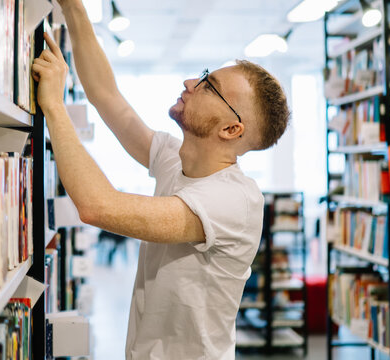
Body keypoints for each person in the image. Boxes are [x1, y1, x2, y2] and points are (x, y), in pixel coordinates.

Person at [32, 0, 290, 358]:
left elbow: (97, 207)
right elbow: (107, 98)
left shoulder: (234, 201)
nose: (189, 82)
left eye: (207, 85)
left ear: (231, 129)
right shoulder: (176, 159)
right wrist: (74, 8)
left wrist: (55, 107)